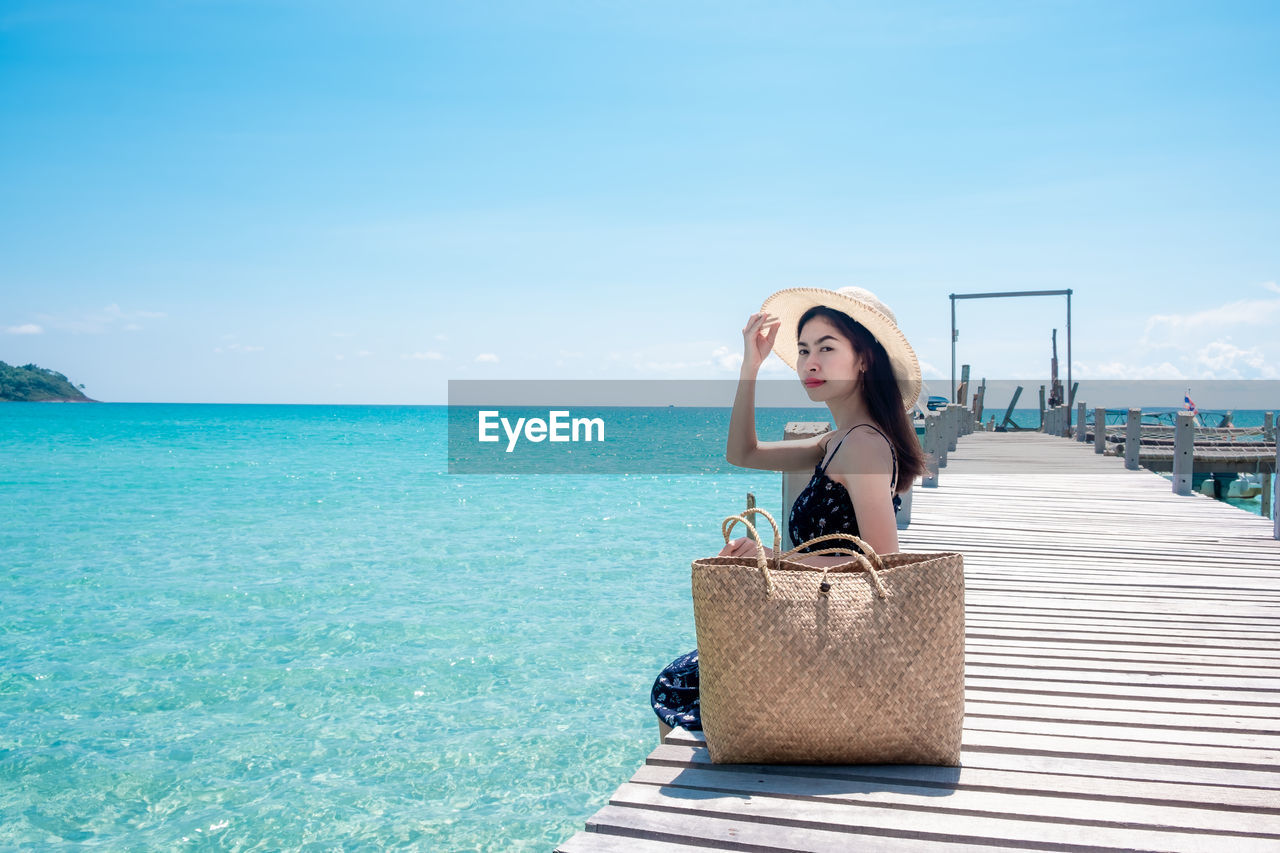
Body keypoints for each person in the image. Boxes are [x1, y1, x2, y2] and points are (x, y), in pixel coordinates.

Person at [650, 286, 927, 735]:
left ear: (864, 360)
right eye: (802, 351)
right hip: (819, 616)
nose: (810, 363)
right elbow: (743, 453)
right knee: (684, 682)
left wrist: (773, 561)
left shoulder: (863, 446)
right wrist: (751, 366)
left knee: (677, 685)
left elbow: (884, 563)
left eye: (826, 348)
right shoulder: (835, 442)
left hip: (841, 633)